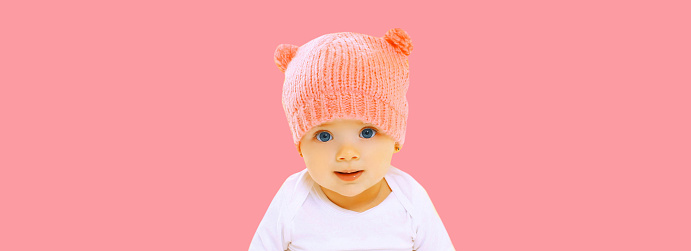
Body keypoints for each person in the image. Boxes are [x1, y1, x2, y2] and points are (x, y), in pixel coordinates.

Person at [249, 28, 455, 250]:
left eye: (367, 132)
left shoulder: (411, 198)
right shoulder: (292, 199)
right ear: (300, 146)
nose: (347, 153)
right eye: (324, 136)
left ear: (395, 140)